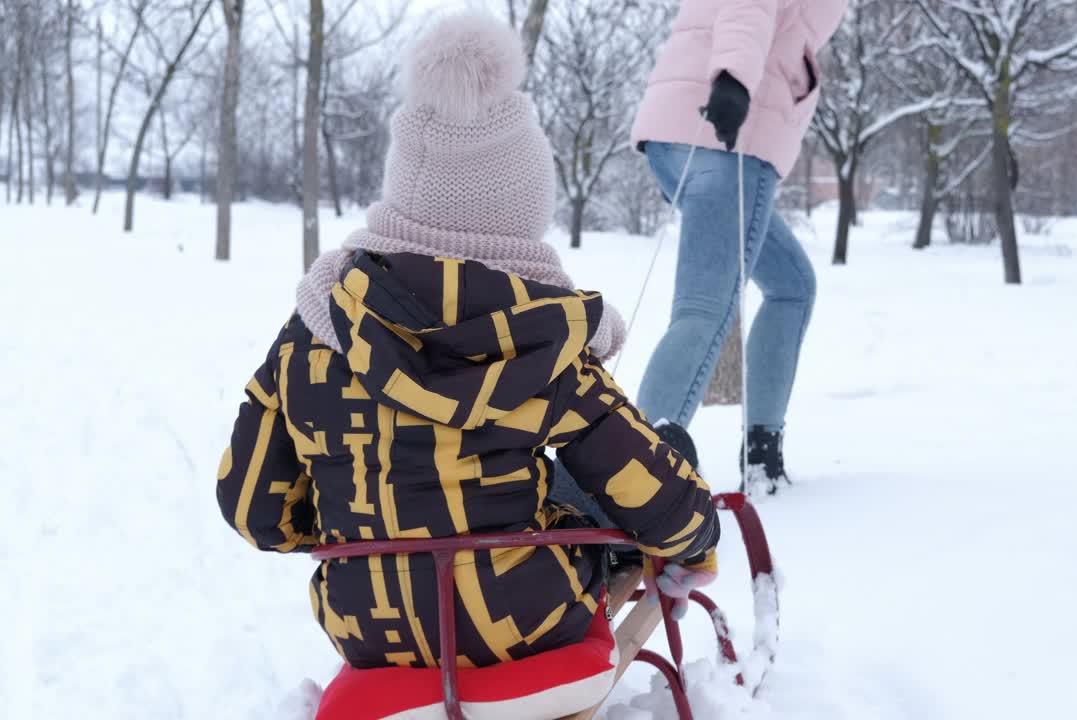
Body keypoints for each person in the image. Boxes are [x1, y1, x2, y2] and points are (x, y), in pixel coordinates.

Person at [214, 11, 718, 670]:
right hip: (524, 627)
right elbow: (650, 489)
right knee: (640, 460)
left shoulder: (313, 334)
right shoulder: (542, 341)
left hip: (368, 631)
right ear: (521, 215)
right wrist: (696, 538)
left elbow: (253, 509)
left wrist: (360, 522)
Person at [631, 0, 848, 495]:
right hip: (722, 136)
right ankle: (636, 482)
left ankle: (761, 456)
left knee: (791, 285)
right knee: (704, 310)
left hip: (694, 133)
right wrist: (734, 78)